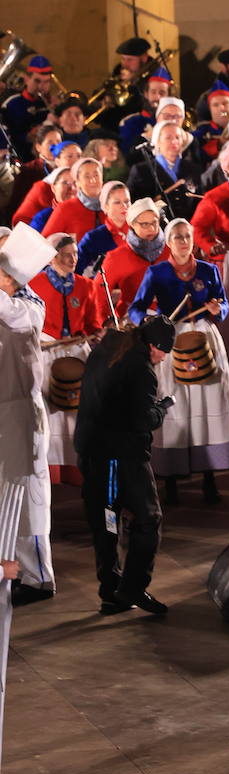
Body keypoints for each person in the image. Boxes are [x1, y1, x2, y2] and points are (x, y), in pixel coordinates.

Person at [129, 218, 229, 507]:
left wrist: (218, 308)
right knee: (175, 405)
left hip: (204, 339)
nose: (183, 241)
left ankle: (209, 478)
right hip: (171, 340)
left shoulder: (209, 270)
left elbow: (223, 303)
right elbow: (135, 309)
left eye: (187, 236)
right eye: (177, 237)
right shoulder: (157, 273)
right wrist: (150, 322)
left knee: (208, 403)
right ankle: (171, 480)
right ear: (168, 242)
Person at [75, 314, 176, 615]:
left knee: (107, 520)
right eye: (164, 352)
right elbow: (141, 420)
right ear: (156, 346)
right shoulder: (140, 368)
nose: (163, 358)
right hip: (121, 458)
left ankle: (111, 589)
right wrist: (162, 409)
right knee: (148, 518)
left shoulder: (105, 350)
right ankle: (131, 589)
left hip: (92, 453)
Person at [0, 224, 57, 607]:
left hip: (23, 413)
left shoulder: (30, 306)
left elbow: (8, 311)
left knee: (29, 499)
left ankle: (38, 578)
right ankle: (10, 567)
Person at [31, 233, 104, 486]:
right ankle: (51, 474)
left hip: (76, 353)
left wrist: (96, 333)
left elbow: (93, 323)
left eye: (75, 254)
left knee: (78, 413)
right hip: (48, 354)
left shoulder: (87, 285)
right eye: (66, 254)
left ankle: (77, 471)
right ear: (52, 258)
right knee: (50, 412)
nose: (73, 259)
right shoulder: (35, 284)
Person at [99, 197, 169, 320]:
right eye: (144, 224)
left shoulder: (171, 248)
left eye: (154, 222)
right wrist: (108, 321)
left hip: (174, 316)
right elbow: (98, 295)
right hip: (133, 321)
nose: (151, 229)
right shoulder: (117, 257)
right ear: (132, 225)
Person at [76, 180, 131, 276]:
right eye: (117, 202)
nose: (124, 206)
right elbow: (77, 272)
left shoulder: (138, 231)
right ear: (106, 207)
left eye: (127, 201)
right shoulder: (93, 238)